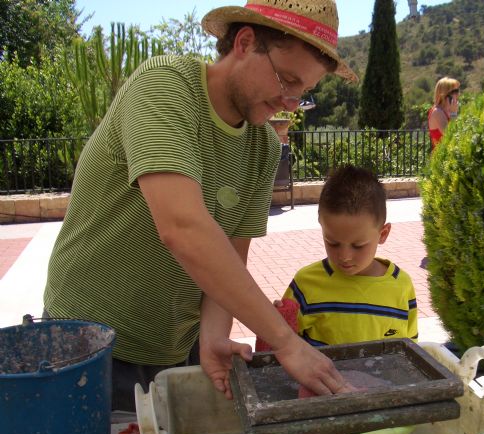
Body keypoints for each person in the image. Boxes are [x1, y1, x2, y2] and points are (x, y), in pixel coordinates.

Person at [43, 0, 358, 412]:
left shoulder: (263, 146)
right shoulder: (165, 86)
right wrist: (286, 343)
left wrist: (213, 334)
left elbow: (230, 257)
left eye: (302, 92)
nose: (290, 102)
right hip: (86, 344)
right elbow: (182, 227)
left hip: (177, 349)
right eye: (287, 80)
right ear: (245, 42)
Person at [279, 165, 419, 346]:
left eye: (358, 245)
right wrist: (278, 320)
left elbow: (410, 348)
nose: (344, 256)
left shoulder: (401, 286)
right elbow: (283, 342)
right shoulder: (306, 283)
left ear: (382, 234)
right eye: (333, 243)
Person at [426, 76, 460, 149]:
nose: (458, 94)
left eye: (458, 91)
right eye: (455, 91)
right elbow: (450, 136)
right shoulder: (437, 112)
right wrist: (454, 114)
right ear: (444, 94)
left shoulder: (447, 111)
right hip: (440, 158)